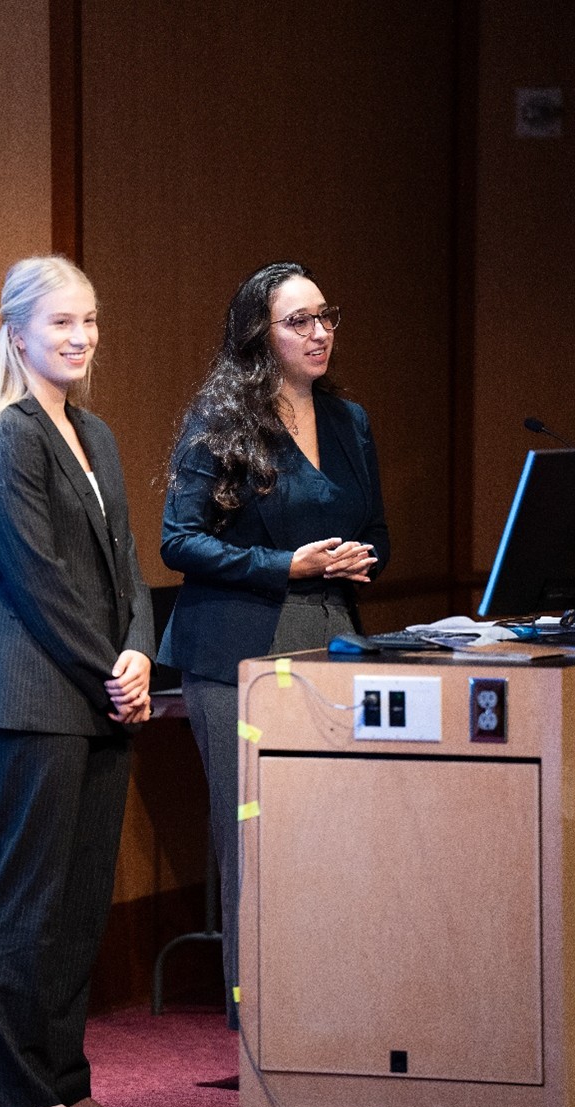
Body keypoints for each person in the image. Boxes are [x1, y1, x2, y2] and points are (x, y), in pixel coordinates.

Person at [0, 255, 155, 1107]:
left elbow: (127, 566)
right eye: (62, 322)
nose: (81, 337)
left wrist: (141, 651)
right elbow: (38, 583)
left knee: (76, 908)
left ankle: (65, 1083)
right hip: (36, 700)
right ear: (17, 333)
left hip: (99, 695)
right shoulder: (9, 437)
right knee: (28, 904)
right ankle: (23, 1094)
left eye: (90, 320)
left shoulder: (94, 433)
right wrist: (113, 669)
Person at [158, 261, 390, 1029]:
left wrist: (359, 559)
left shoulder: (349, 421)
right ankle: (260, 1025)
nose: (320, 333)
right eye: (300, 321)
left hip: (331, 641)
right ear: (260, 335)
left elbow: (377, 532)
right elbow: (178, 541)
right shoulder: (221, 419)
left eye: (326, 317)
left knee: (335, 837)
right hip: (238, 655)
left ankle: (329, 1017)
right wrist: (284, 565)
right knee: (255, 841)